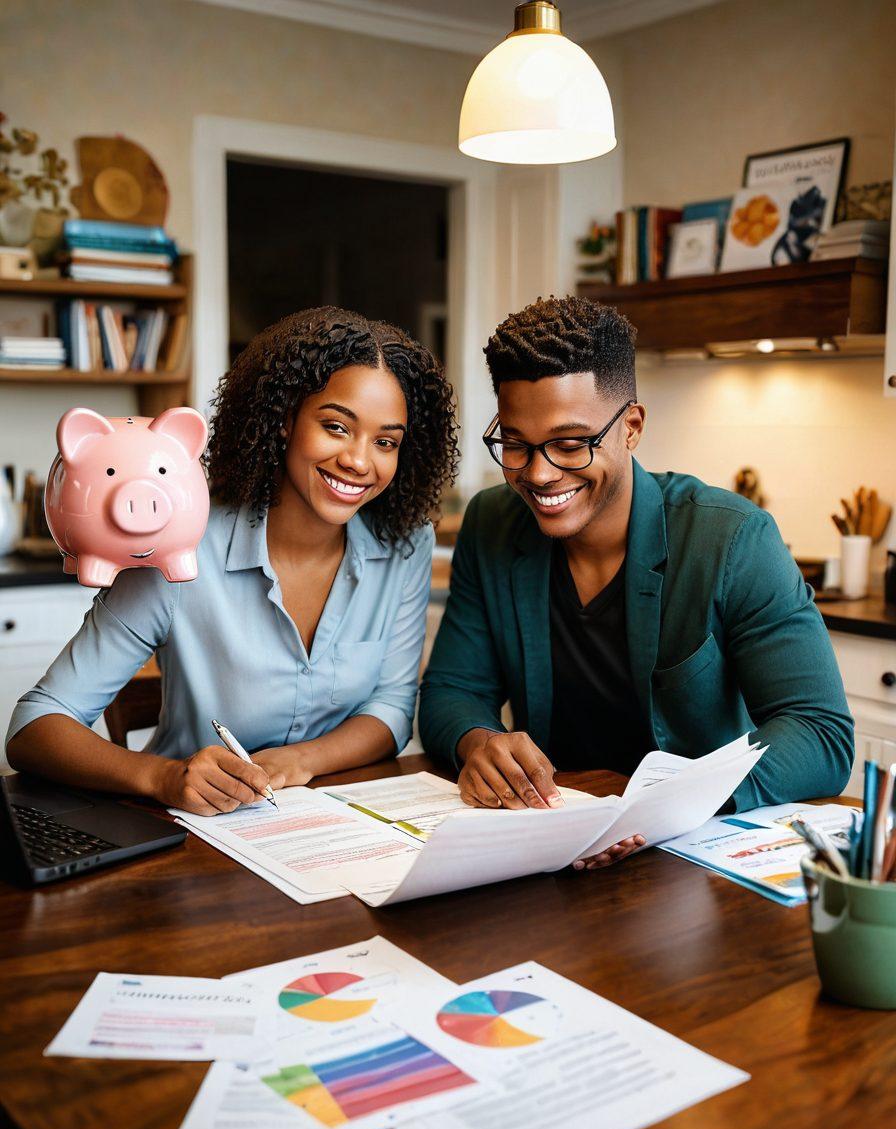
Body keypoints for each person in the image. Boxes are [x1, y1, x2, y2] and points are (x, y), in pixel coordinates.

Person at [419, 296, 853, 866]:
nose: (540, 474)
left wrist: (667, 807)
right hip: (554, 845)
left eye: (571, 444)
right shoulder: (493, 524)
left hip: (693, 852)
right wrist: (478, 741)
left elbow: (820, 731)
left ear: (631, 427)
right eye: (517, 445)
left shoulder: (732, 538)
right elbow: (452, 690)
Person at [6, 307, 459, 815]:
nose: (359, 460)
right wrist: (164, 777)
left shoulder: (405, 543)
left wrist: (299, 761)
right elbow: (34, 726)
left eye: (385, 442)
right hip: (197, 842)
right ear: (285, 420)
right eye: (336, 426)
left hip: (338, 829)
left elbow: (392, 710)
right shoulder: (183, 547)